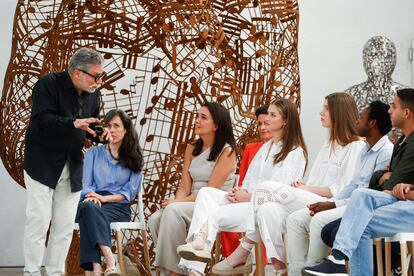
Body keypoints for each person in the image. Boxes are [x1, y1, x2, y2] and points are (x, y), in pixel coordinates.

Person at [213, 92, 365, 275]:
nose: (321, 112)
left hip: (333, 203)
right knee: (267, 208)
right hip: (311, 197)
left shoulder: (355, 146)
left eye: (326, 108)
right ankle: (282, 267)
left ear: (339, 112)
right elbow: (315, 182)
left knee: (265, 188)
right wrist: (303, 186)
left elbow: (341, 191)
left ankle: (244, 248)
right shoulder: (328, 144)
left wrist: (306, 188)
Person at [176, 98, 308, 275]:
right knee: (207, 193)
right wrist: (239, 191)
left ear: (285, 121)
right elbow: (249, 181)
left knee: (213, 215)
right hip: (247, 203)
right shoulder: (265, 148)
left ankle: (196, 266)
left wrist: (249, 196)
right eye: (267, 113)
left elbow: (280, 192)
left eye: (272, 115)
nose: (266, 119)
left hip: (264, 209)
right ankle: (199, 247)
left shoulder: (294, 152)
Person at [302, 88, 414, 276]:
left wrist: (393, 182)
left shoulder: (406, 144)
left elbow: (390, 182)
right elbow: (383, 181)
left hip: (407, 206)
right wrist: (383, 177)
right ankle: (337, 261)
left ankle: (337, 260)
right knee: (359, 224)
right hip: (399, 203)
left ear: (406, 112)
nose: (389, 111)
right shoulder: (402, 141)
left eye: (393, 106)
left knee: (361, 199)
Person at [23, 47, 110, 276]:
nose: (98, 81)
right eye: (95, 76)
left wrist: (102, 135)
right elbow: (41, 120)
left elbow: (91, 125)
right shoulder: (48, 84)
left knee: (63, 228)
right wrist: (73, 123)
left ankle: (54, 273)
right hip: (42, 163)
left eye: (101, 76)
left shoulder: (93, 93)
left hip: (72, 163)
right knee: (39, 223)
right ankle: (31, 272)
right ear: (77, 72)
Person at [286, 101, 393, 275]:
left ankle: (318, 270)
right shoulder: (365, 150)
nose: (356, 121)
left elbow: (370, 193)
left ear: (372, 123)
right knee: (295, 219)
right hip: (347, 202)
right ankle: (297, 272)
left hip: (364, 207)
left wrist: (332, 204)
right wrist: (332, 201)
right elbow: (352, 185)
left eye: (361, 117)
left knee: (320, 220)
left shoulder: (385, 152)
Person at [148, 102, 237, 276]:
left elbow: (209, 192)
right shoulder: (191, 148)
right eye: (198, 116)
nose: (196, 120)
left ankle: (173, 273)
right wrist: (176, 200)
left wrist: (177, 203)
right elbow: (184, 186)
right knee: (155, 218)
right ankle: (177, 270)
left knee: (173, 210)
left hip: (212, 203)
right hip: (190, 202)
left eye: (203, 117)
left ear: (216, 125)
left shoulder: (227, 151)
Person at [75, 109, 143, 275]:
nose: (111, 129)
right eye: (108, 125)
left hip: (118, 206)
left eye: (116, 125)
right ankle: (110, 259)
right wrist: (93, 196)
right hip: (92, 200)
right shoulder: (93, 153)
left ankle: (97, 269)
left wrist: (103, 199)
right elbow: (86, 184)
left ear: (125, 129)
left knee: (87, 215)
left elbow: (130, 192)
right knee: (88, 207)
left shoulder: (134, 156)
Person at [220, 106, 272, 258]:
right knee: (224, 219)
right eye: (259, 124)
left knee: (260, 220)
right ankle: (235, 261)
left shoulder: (287, 151)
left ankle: (258, 264)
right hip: (246, 195)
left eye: (266, 123)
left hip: (265, 200)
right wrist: (239, 193)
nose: (262, 128)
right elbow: (243, 179)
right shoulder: (251, 148)